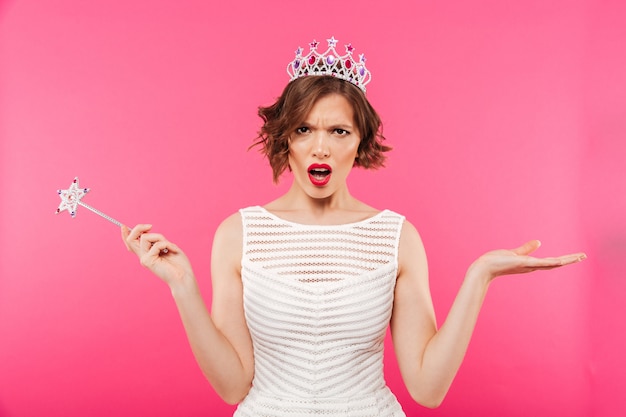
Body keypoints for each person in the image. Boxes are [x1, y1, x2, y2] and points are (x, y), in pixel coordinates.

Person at [121, 38, 586, 416]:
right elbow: (232, 386)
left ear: (360, 142)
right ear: (286, 138)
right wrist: (182, 287)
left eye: (338, 131)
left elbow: (427, 389)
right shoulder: (237, 235)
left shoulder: (397, 237)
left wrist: (479, 277)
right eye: (304, 130)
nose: (320, 147)